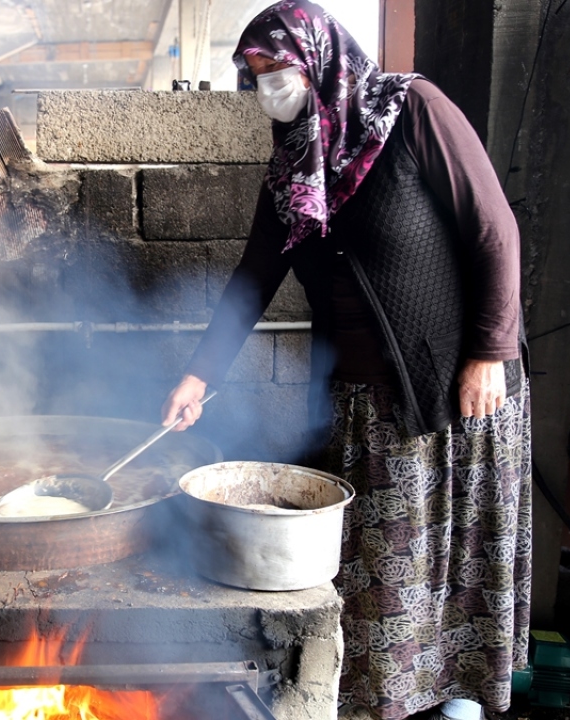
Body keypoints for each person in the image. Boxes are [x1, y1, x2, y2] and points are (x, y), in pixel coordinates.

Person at [160, 3, 532, 720]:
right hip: (364, 402)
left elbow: (495, 230)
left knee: (453, 558)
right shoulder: (294, 162)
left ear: (321, 54)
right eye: (258, 76)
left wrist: (489, 351)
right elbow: (253, 277)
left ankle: (457, 704)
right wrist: (199, 374)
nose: (271, 87)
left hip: (457, 390)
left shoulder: (412, 110)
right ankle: (386, 703)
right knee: (377, 571)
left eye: (280, 69)